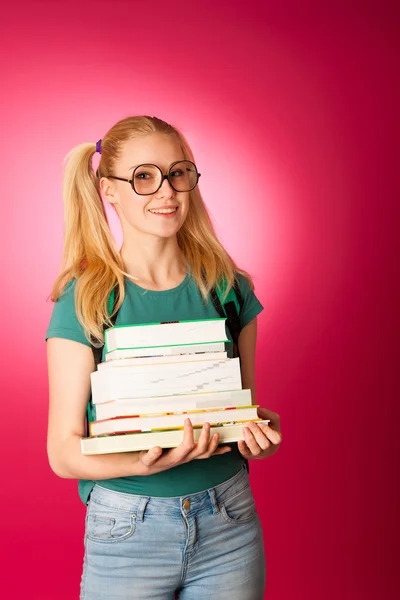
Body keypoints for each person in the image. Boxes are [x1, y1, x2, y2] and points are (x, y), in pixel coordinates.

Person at [45, 115, 282, 600]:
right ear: (109, 190)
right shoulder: (88, 299)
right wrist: (146, 464)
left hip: (230, 520)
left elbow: (245, 413)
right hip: (128, 528)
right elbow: (62, 452)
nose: (167, 191)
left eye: (179, 172)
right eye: (144, 176)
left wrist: (262, 435)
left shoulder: (229, 290)